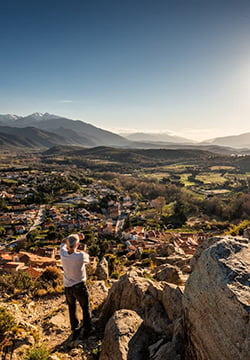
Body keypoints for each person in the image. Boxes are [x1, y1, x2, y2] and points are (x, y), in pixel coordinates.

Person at [60, 233, 92, 340]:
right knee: (85, 307)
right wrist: (79, 243)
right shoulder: (81, 256)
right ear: (78, 244)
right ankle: (87, 328)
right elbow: (88, 259)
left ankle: (75, 328)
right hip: (79, 286)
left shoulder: (62, 253)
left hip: (67, 287)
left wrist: (72, 237)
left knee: (71, 307)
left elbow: (63, 242)